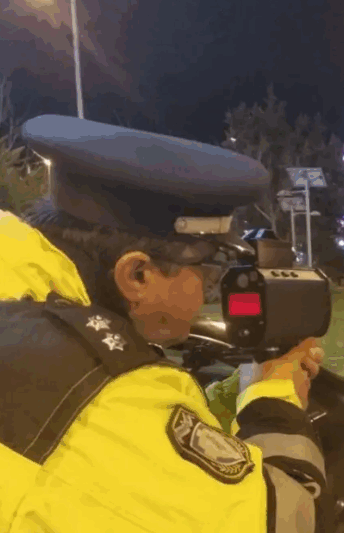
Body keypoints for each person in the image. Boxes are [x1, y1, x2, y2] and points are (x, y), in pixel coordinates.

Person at [0, 115, 326, 532]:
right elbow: (280, 516)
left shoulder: (22, 298)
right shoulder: (105, 400)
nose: (210, 290)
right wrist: (274, 402)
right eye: (209, 270)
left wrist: (234, 395)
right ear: (138, 275)